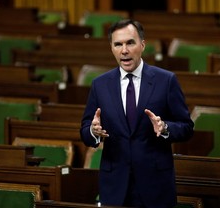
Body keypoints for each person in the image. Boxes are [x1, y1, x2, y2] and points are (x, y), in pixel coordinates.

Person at [80, 19, 194, 208]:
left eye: (130, 43)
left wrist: (165, 128)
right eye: (118, 44)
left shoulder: (166, 81)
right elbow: (84, 131)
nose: (124, 50)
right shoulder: (100, 84)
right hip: (115, 187)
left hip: (155, 187)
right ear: (112, 48)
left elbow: (187, 127)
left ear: (142, 45)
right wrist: (93, 131)